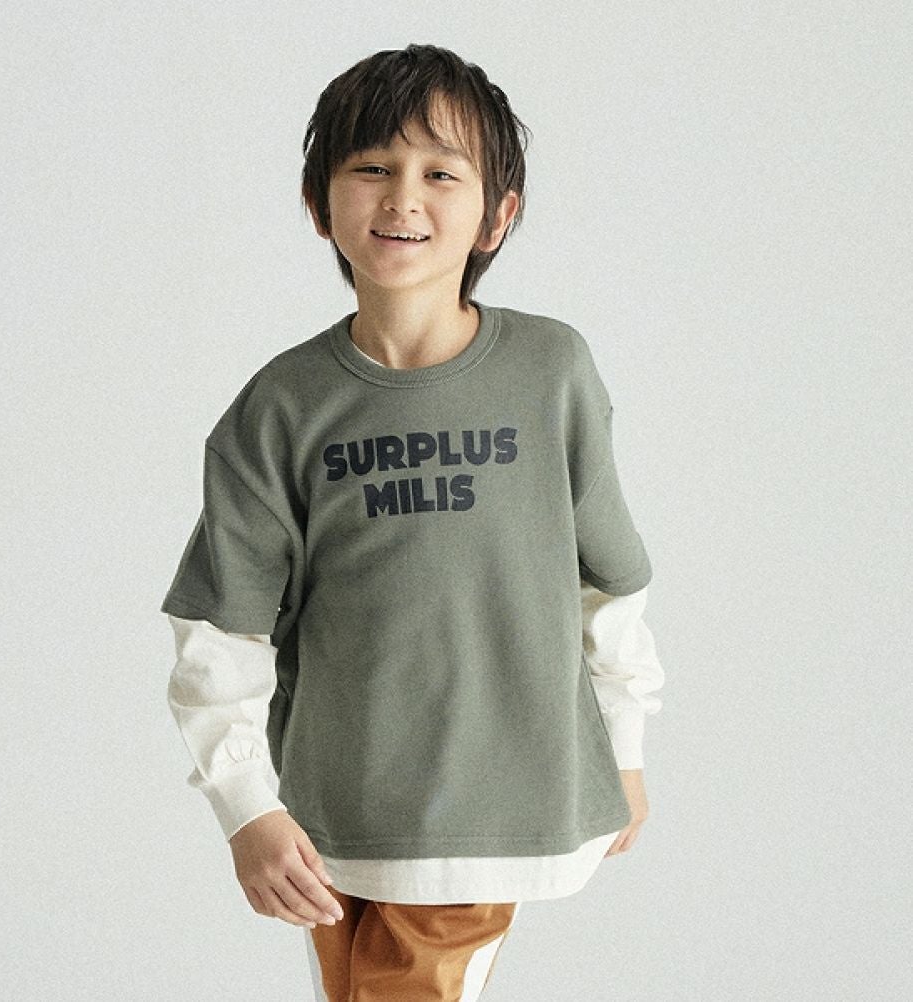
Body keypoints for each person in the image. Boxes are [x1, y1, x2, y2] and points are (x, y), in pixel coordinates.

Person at [160, 43, 665, 1002]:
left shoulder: (551, 373)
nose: (403, 198)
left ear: (497, 214)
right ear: (319, 204)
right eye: (372, 168)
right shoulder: (281, 407)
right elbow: (223, 626)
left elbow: (609, 580)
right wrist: (245, 804)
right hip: (331, 813)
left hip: (491, 808)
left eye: (441, 173)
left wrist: (624, 749)